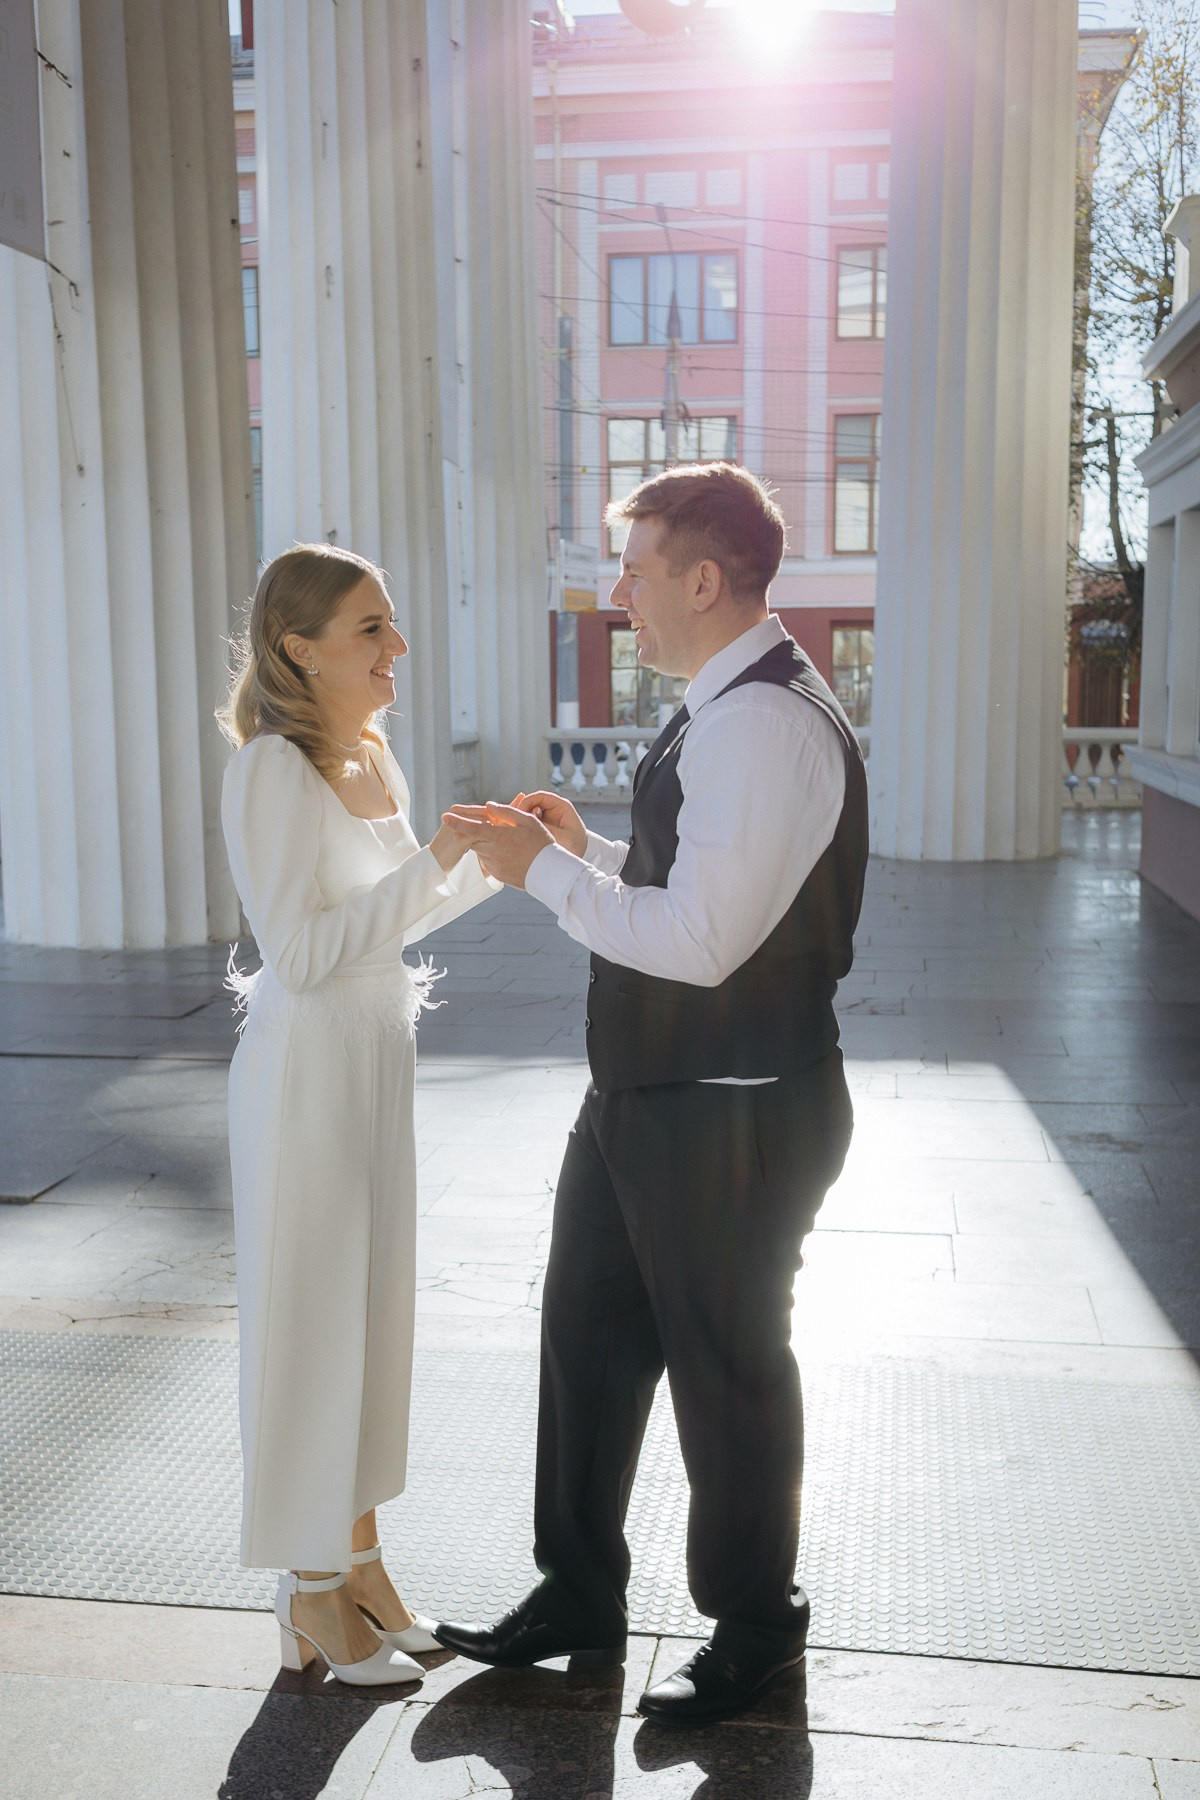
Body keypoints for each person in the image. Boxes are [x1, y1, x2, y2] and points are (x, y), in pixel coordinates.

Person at [434, 463, 867, 1722]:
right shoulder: (721, 706)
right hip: (652, 1096)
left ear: (704, 577)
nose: (616, 590)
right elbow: (690, 881)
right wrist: (586, 854)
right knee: (586, 1336)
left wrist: (542, 880)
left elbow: (705, 940)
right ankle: (578, 1587)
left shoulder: (767, 723)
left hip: (732, 1107)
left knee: (726, 1367)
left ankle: (754, 1625)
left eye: (634, 568)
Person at [217, 543, 498, 1687]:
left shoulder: (370, 752)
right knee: (312, 1328)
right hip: (305, 1080)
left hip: (376, 1060)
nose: (397, 647)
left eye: (391, 623)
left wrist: (484, 856)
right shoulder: (274, 770)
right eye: (372, 628)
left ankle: (364, 1565)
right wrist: (434, 855)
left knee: (373, 1324)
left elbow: (392, 923)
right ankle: (310, 1596)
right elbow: (301, 952)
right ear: (301, 648)